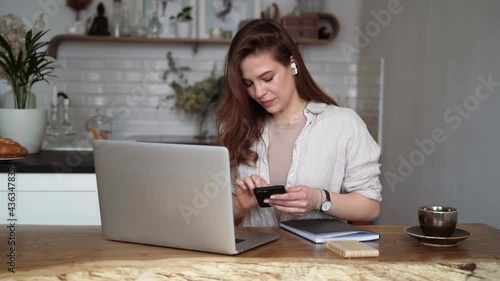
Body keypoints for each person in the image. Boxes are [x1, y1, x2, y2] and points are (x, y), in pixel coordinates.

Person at [216, 19, 382, 227]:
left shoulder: (344, 124)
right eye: (248, 84)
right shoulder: (242, 129)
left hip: (318, 258)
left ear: (293, 65)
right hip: (256, 259)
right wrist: (243, 204)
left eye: (267, 78)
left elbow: (370, 207)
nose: (258, 93)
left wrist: (319, 199)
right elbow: (219, 210)